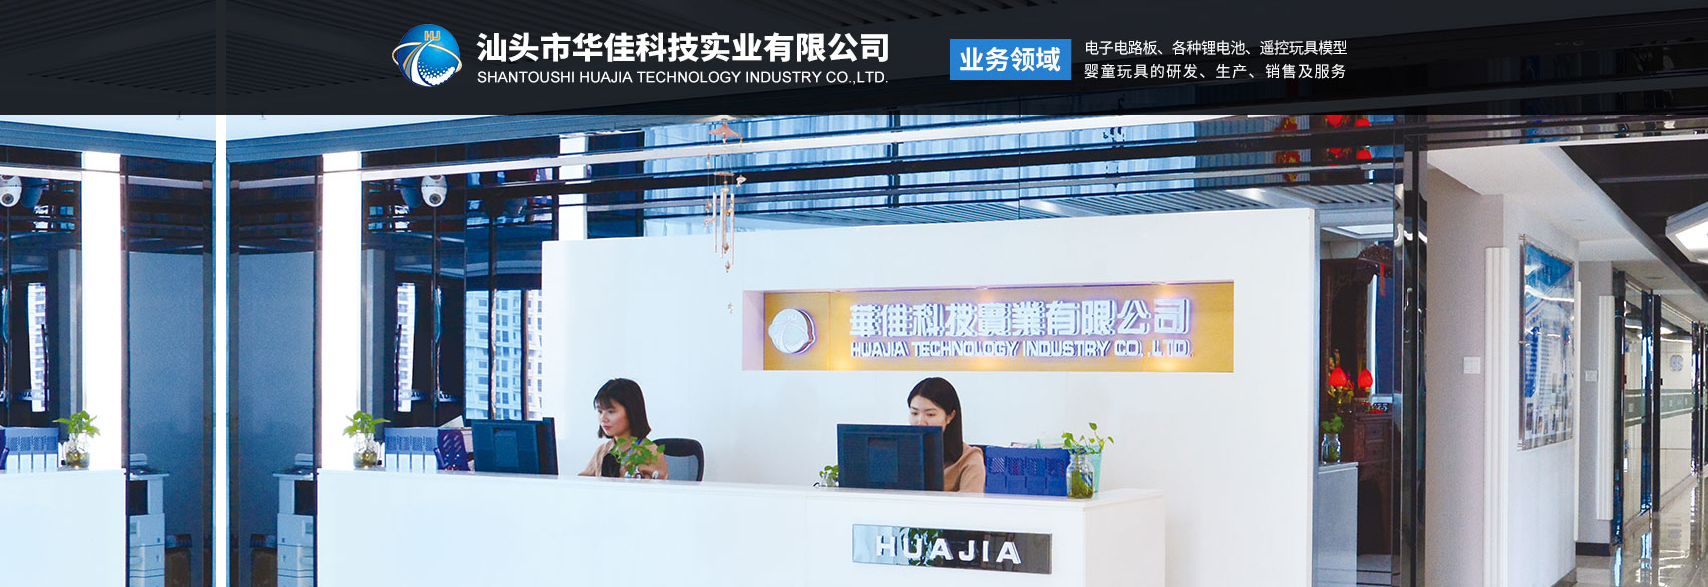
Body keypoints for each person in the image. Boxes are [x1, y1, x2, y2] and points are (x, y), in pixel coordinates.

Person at [578, 378, 669, 479]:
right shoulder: (603, 451)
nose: (603, 418)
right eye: (600, 411)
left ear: (631, 412)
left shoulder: (650, 453)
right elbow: (582, 483)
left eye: (611, 412)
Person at [908, 377, 984, 493]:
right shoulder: (901, 452)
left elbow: (970, 503)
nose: (920, 422)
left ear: (950, 417)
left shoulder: (969, 458)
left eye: (930, 414)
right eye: (914, 413)